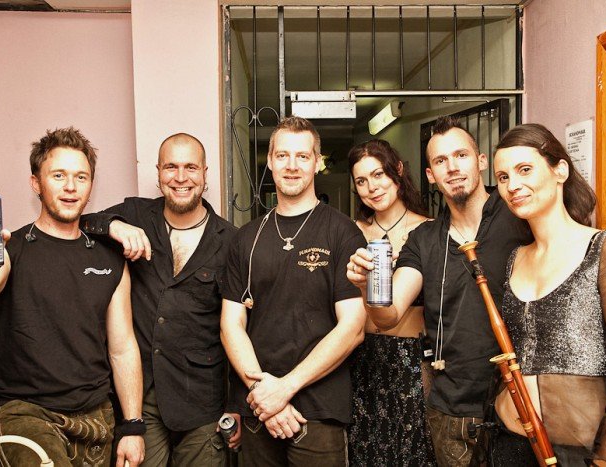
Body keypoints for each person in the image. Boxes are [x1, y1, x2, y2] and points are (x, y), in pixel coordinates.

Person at [0, 127, 144, 467]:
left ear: (90, 185)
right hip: (23, 412)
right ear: (36, 183)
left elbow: (123, 347)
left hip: (94, 416)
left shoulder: (110, 259)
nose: (71, 187)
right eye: (58, 175)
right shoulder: (11, 248)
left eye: (81, 177)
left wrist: (133, 426)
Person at [347, 116, 532, 467]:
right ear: (431, 175)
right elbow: (388, 316)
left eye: (461, 155)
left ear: (481, 161)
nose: (453, 168)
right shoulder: (424, 239)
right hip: (450, 410)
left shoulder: (520, 218)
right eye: (441, 161)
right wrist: (367, 286)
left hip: (517, 402)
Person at [490, 123, 606, 466]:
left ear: (560, 170)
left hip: (579, 453)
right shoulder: (515, 257)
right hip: (509, 445)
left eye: (525, 169)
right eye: (502, 177)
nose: (512, 185)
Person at [80, 133, 240, 466]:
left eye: (190, 167)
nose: (180, 177)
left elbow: (238, 328)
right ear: (158, 172)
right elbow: (82, 222)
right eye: (171, 167)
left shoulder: (230, 241)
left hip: (202, 402)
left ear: (205, 173)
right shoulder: (135, 214)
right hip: (141, 397)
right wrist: (114, 226)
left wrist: (237, 405)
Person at [220, 116, 367, 466]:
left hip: (318, 410)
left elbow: (353, 328)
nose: (291, 165)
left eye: (302, 156)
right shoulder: (246, 238)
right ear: (270, 161)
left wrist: (284, 389)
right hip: (257, 409)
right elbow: (231, 325)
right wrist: (263, 395)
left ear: (317, 162)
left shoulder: (343, 233)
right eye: (282, 155)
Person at [346, 139, 436, 466]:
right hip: (361, 358)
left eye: (378, 174)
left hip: (412, 359)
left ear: (397, 171)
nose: (372, 187)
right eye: (361, 181)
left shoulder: (428, 231)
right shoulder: (350, 232)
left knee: (415, 452)